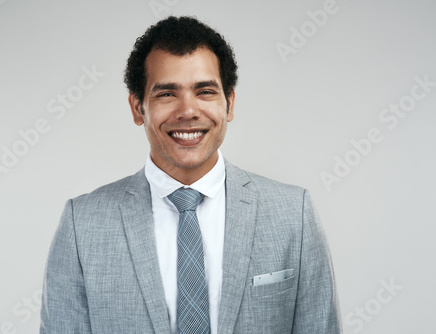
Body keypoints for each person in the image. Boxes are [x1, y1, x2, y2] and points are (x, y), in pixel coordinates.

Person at [40, 16, 341, 334]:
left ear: (229, 103)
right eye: (167, 94)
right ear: (137, 108)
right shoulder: (82, 223)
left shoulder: (294, 213)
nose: (187, 111)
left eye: (205, 91)